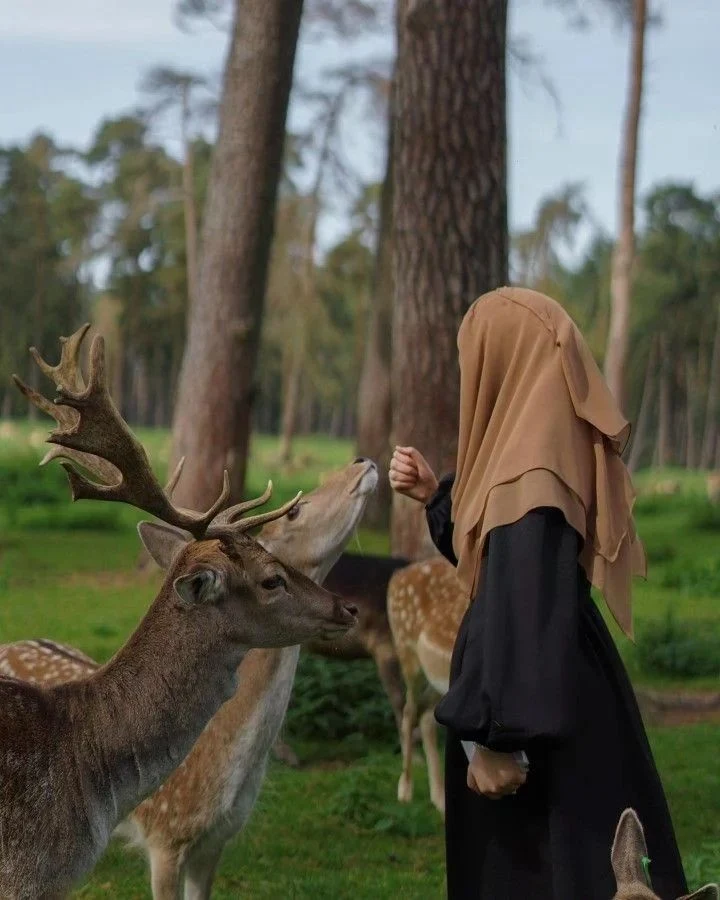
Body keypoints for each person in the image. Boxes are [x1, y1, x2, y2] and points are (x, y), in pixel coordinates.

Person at [388, 286, 687, 900]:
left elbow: (519, 605)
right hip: (559, 700)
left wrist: (498, 740)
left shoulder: (534, 478)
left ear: (504, 364)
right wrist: (437, 499)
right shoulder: (535, 460)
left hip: (534, 732)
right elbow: (503, 573)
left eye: (475, 358)